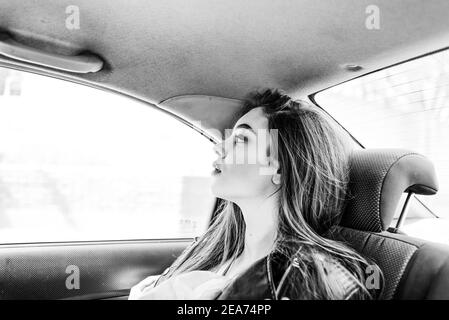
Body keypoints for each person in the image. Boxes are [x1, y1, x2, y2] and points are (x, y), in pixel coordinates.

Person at [129, 88, 383, 300]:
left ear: (280, 167)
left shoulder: (305, 275)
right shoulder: (213, 250)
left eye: (241, 139)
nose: (220, 147)